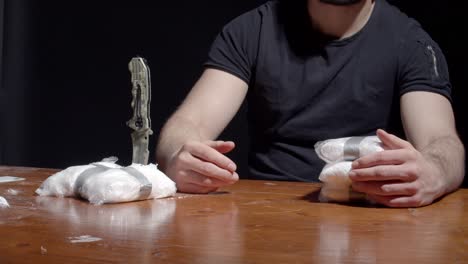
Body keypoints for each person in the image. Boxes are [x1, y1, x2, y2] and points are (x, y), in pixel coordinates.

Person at [156, 0, 465, 207]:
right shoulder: (251, 31)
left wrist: (434, 172)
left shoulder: (410, 42)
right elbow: (189, 124)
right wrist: (177, 156)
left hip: (370, 214)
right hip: (269, 215)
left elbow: (441, 141)